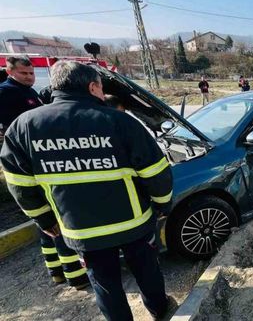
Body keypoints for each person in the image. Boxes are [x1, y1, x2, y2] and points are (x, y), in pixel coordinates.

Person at [0, 61, 174, 321]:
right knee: (147, 272)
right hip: (133, 223)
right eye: (102, 89)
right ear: (92, 86)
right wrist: (162, 205)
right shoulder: (119, 121)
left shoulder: (24, 127)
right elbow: (156, 172)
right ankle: (160, 310)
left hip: (81, 230)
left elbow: (20, 185)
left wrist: (45, 220)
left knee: (104, 284)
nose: (103, 95)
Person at [0, 57, 89, 290]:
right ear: (9, 71)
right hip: (31, 163)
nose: (29, 77)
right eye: (24, 73)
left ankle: (55, 271)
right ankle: (75, 275)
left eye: (31, 73)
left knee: (45, 222)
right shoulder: (6, 93)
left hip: (34, 161)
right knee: (57, 221)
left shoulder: (29, 92)